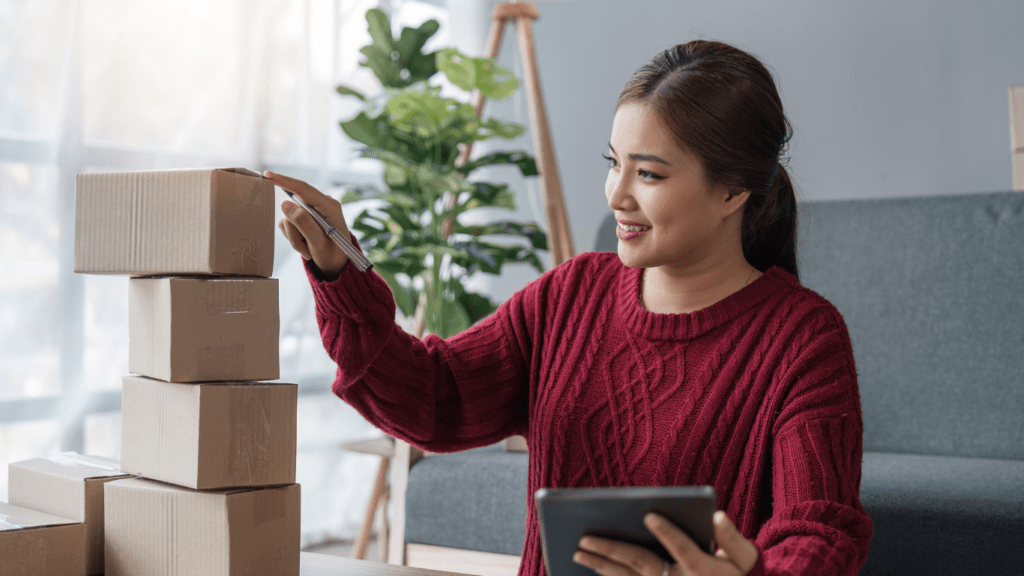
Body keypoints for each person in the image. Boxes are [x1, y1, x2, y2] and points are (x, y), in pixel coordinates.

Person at [271, 39, 872, 576]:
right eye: (614, 163)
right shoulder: (570, 296)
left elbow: (819, 529)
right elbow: (434, 397)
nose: (616, 194)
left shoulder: (803, 338)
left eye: (650, 174)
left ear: (733, 191)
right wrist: (338, 270)